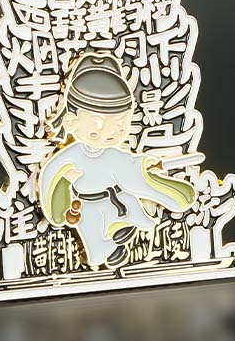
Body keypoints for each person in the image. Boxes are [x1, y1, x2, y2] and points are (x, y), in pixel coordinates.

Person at [37, 54, 196, 268]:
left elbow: (130, 169)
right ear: (72, 122)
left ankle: (124, 230)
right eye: (98, 124)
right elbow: (51, 177)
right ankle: (108, 251)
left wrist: (145, 166)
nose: (112, 132)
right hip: (87, 205)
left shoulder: (113, 154)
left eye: (121, 124)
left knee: (132, 209)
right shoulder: (70, 156)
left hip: (118, 197)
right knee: (93, 233)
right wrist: (64, 184)